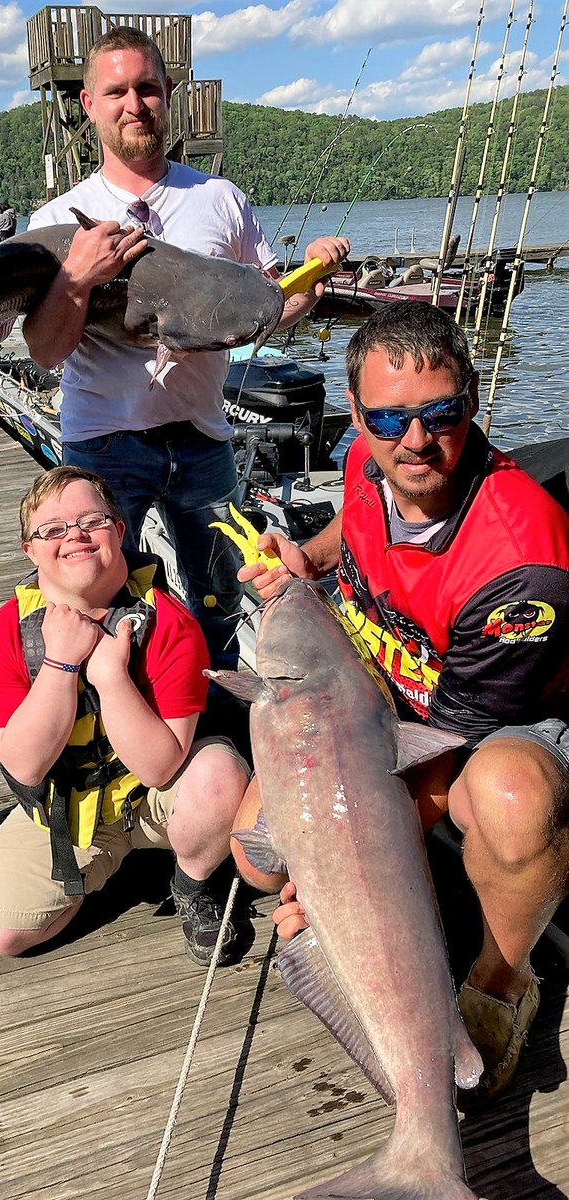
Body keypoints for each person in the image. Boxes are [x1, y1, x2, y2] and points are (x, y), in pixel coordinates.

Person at [240, 302, 569, 1101]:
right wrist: (308, 565)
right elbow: (350, 535)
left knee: (510, 799)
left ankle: (499, 981)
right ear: (356, 414)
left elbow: (446, 746)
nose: (414, 441)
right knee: (253, 855)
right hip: (380, 694)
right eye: (388, 418)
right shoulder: (366, 461)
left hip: (485, 722)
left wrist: (335, 873)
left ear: (473, 400)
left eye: (439, 414)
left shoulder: (521, 565)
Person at [21, 27, 349, 676]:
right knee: (92, 598)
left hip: (203, 436)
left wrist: (310, 278)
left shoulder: (220, 199)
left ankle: (213, 704)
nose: (134, 104)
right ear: (89, 104)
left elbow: (266, 308)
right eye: (116, 92)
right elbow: (46, 350)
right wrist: (77, 281)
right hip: (102, 440)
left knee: (220, 591)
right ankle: (111, 731)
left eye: (147, 88)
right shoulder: (60, 219)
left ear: (168, 95)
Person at [0, 466, 252, 966]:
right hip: (68, 809)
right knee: (1, 931)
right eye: (51, 530)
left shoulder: (170, 623)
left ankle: (192, 879)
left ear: (120, 531)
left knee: (220, 774)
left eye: (91, 521)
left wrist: (110, 677)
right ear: (29, 551)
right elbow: (26, 766)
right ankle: (98, 866)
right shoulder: (2, 635)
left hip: (154, 798)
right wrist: (61, 663)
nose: (74, 536)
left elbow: (161, 768)